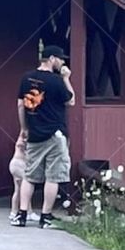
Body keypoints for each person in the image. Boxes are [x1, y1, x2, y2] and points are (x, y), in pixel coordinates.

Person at [15, 45, 75, 228]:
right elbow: (71, 100)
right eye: (60, 59)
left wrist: (24, 128)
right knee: (53, 177)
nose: (62, 62)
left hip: (34, 133)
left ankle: (21, 215)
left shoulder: (26, 78)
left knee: (29, 176)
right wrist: (66, 78)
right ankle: (45, 217)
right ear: (51, 59)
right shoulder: (56, 81)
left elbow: (20, 105)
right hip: (55, 134)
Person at [8, 133, 27, 226]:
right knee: (26, 187)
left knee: (18, 190)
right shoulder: (21, 139)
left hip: (19, 165)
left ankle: (13, 211)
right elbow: (20, 146)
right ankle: (28, 211)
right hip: (18, 165)